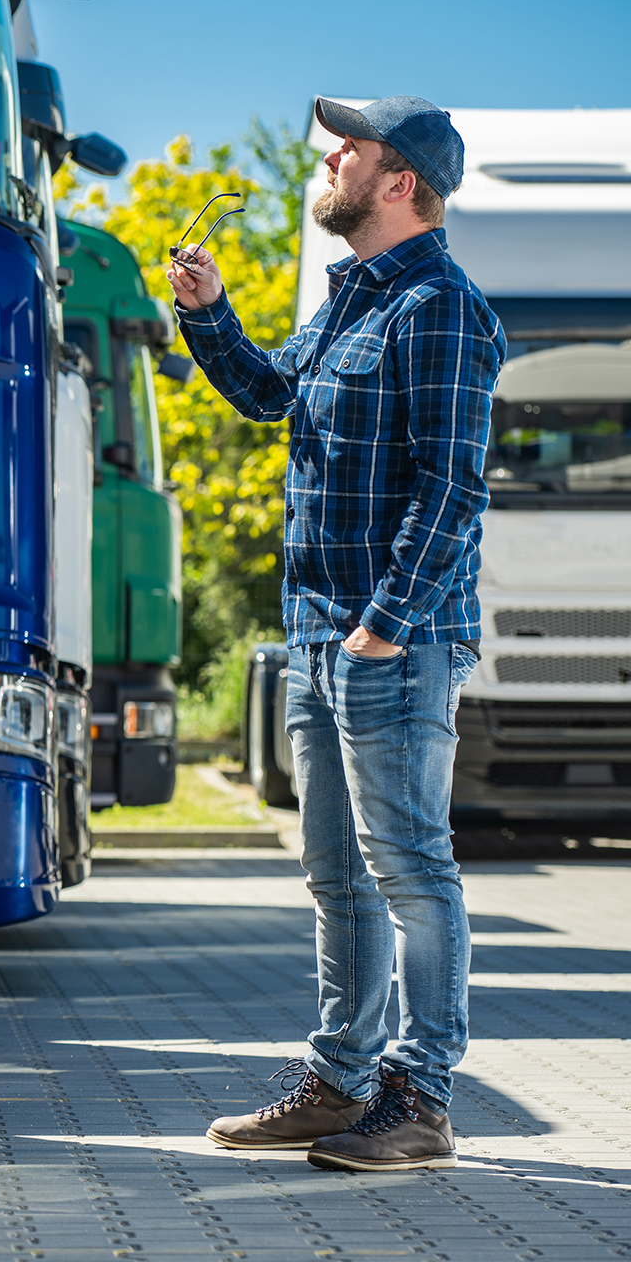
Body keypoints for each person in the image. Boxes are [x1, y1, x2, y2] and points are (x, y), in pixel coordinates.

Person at [168, 97, 503, 1172]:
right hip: (317, 635)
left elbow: (453, 486)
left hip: (389, 643)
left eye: (348, 148)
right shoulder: (350, 303)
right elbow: (274, 396)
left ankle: (423, 1098)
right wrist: (210, 312)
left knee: (410, 868)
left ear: (400, 179)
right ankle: (341, 1080)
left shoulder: (439, 307)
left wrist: (382, 628)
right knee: (339, 878)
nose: (330, 157)